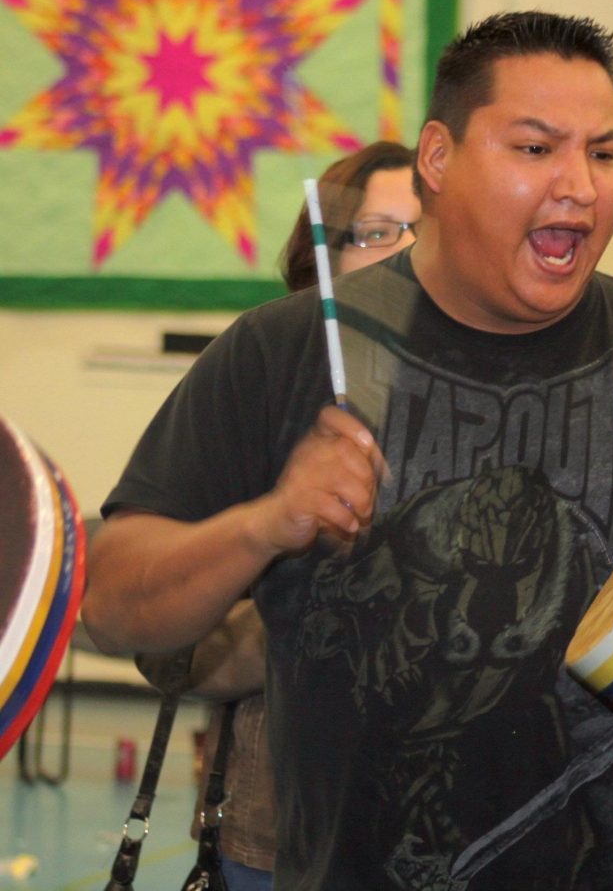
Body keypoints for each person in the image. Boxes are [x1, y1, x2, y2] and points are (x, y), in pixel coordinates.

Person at [83, 11, 613, 890]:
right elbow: (108, 603)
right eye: (536, 149)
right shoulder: (282, 353)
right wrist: (263, 525)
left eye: (603, 152)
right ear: (438, 159)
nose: (579, 187)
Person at [136, 141, 419, 891]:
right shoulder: (258, 394)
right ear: (321, 263)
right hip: (275, 841)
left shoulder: (511, 403)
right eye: (379, 231)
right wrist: (309, 591)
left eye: (427, 230)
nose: (408, 254)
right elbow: (167, 651)